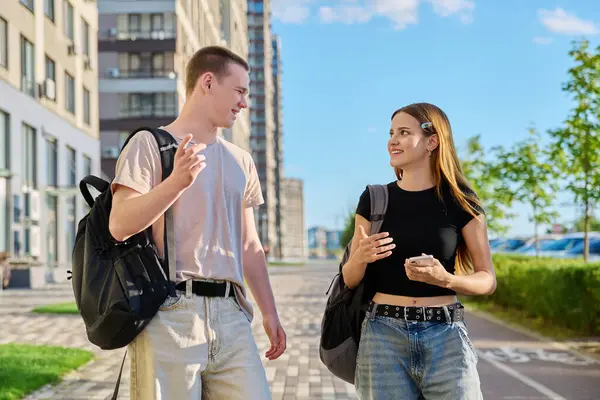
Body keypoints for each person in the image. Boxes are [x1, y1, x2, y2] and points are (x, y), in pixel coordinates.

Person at [109, 46, 286, 400]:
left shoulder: (241, 161)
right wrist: (176, 182)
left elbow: (250, 245)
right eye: (239, 91)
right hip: (172, 312)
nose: (244, 103)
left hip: (232, 314)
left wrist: (270, 313)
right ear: (207, 82)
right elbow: (120, 224)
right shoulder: (149, 145)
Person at [343, 103, 496, 399]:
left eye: (404, 132)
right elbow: (349, 280)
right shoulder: (374, 199)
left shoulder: (462, 202)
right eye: (391, 133)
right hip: (382, 336)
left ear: (432, 141)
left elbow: (487, 279)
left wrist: (446, 279)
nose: (392, 140)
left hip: (446, 336)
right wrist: (359, 258)